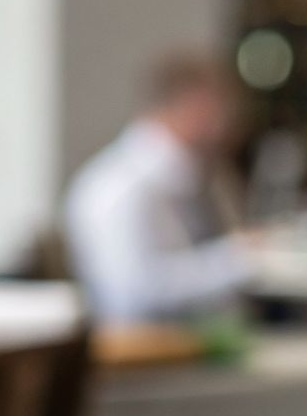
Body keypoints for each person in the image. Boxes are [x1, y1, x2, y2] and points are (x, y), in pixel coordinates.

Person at [63, 53, 252, 323]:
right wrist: (241, 259)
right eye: (219, 109)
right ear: (191, 105)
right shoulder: (117, 187)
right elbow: (134, 294)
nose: (227, 124)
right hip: (147, 351)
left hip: (202, 339)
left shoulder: (202, 178)